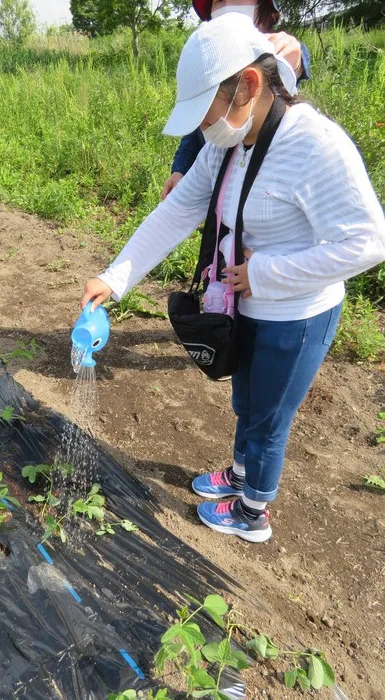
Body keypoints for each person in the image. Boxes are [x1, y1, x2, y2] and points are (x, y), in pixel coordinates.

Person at [79, 15, 385, 543]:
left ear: (249, 85)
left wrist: (265, 273)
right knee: (245, 400)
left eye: (206, 113)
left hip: (297, 316)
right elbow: (177, 212)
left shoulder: (315, 146)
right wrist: (115, 278)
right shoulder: (229, 143)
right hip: (247, 306)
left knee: (268, 420)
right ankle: (239, 475)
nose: (204, 127)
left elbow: (367, 242)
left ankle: (252, 513)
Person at [161, 0, 310, 201]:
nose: (228, 4)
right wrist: (180, 169)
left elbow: (293, 66)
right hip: (219, 183)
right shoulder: (208, 56)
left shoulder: (278, 48)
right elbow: (199, 121)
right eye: (219, 0)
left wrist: (296, 60)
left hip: (263, 191)